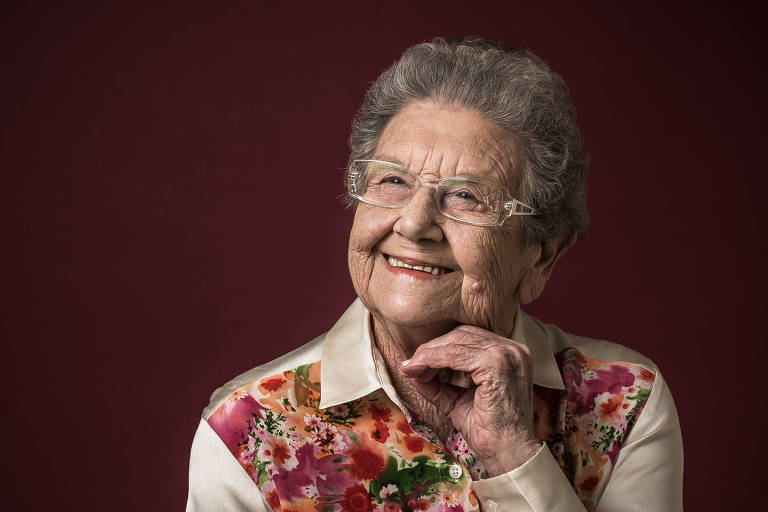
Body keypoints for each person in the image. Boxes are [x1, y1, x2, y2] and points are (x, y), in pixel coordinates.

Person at [186, 37, 683, 512]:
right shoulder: (248, 430)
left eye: (466, 196)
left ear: (541, 255)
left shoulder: (622, 401)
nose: (414, 223)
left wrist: (514, 455)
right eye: (393, 181)